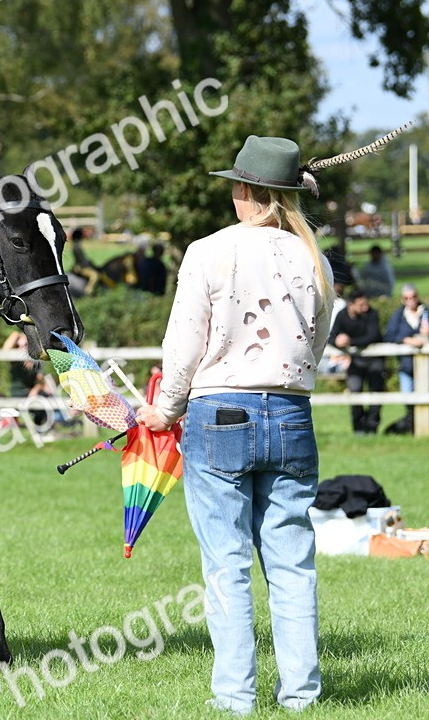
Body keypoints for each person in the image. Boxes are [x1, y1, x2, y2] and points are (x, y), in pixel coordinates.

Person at [137, 135, 332, 714]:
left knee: (227, 564)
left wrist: (165, 408)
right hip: (291, 412)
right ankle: (302, 695)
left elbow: (184, 344)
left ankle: (235, 696)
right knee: (292, 564)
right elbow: (315, 343)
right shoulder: (315, 258)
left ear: (245, 190)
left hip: (218, 412)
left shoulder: (208, 251)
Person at [329, 289, 385, 434]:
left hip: (375, 361)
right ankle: (358, 426)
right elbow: (331, 337)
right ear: (351, 305)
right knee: (354, 391)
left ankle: (372, 426)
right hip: (356, 361)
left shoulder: (372, 314)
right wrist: (338, 342)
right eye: (361, 305)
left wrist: (350, 342)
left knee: (376, 392)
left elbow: (373, 336)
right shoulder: (342, 315)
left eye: (366, 304)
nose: (365, 307)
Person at [384, 283, 428, 430]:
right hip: (406, 364)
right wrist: (407, 340)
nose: (411, 300)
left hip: (426, 367)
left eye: (413, 297)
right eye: (407, 298)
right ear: (402, 299)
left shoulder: (426, 312)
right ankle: (414, 427)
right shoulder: (398, 315)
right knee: (408, 398)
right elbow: (389, 335)